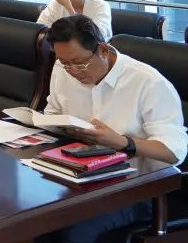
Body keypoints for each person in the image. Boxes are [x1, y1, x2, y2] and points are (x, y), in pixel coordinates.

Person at [39, 15, 186, 243]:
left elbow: (174, 151)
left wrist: (123, 143)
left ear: (103, 50)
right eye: (65, 63)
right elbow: (53, 113)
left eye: (79, 63)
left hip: (137, 189)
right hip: (81, 177)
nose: (73, 70)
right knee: (36, 220)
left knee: (69, 231)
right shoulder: (63, 68)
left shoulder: (148, 83)